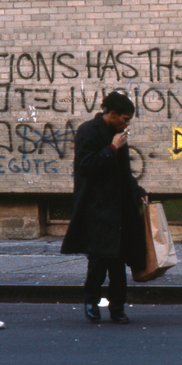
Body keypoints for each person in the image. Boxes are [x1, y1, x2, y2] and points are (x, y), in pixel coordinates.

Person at [61, 91, 148, 324]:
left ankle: (117, 308)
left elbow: (124, 171)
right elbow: (86, 165)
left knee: (119, 261)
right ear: (112, 114)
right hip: (96, 206)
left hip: (119, 207)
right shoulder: (87, 131)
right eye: (125, 118)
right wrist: (112, 148)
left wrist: (138, 192)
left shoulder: (118, 135)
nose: (127, 123)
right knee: (99, 260)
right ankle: (91, 301)